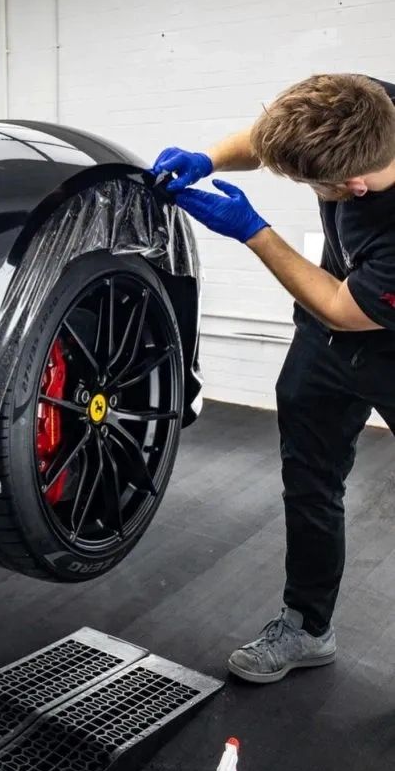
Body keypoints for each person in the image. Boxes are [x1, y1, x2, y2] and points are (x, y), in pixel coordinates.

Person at [152, 73, 395, 684]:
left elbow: (347, 307)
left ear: (352, 185)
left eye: (314, 187)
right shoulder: (367, 102)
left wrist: (255, 234)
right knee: (310, 482)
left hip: (370, 326)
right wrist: (207, 157)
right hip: (327, 339)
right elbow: (268, 140)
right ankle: (308, 628)